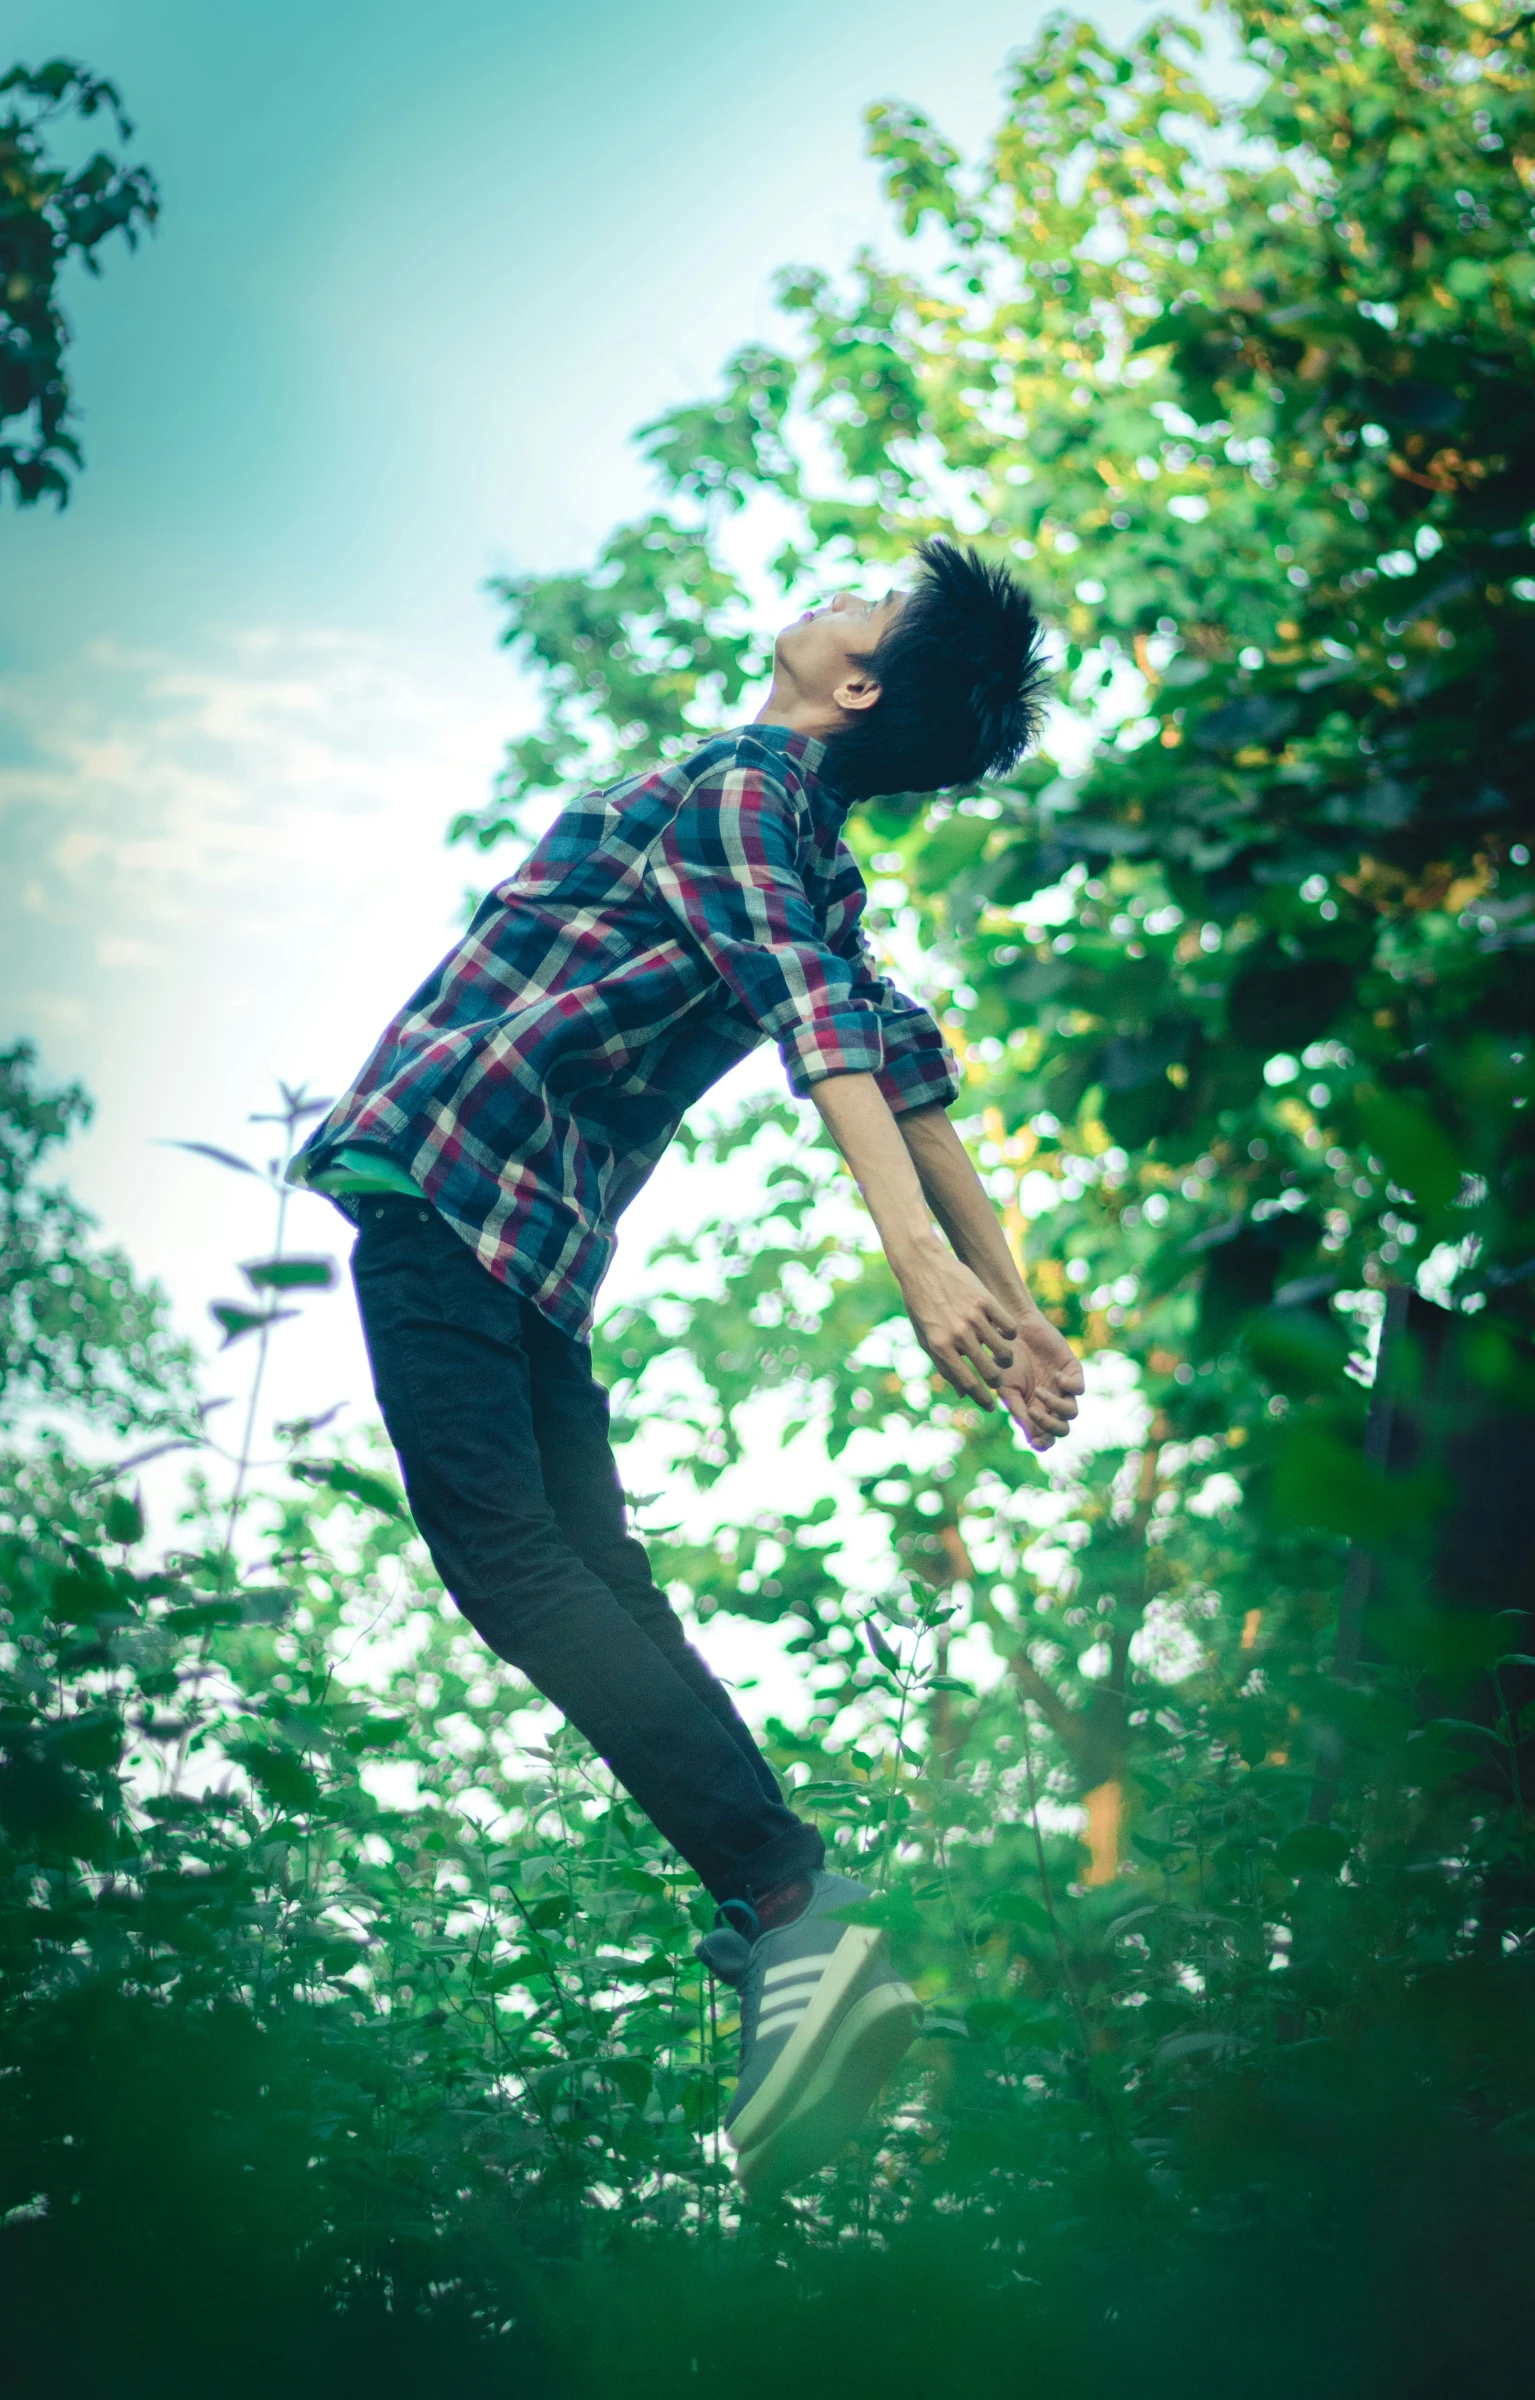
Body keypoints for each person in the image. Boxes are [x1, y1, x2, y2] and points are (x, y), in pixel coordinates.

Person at [291, 537, 1085, 2199]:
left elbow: (832, 1034)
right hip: (540, 1250)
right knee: (591, 1578)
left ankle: (792, 1908)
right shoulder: (799, 849)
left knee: (513, 1564)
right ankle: (797, 1933)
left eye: (867, 603)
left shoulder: (740, 789)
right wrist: (1017, 1313)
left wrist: (947, 1271)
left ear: (855, 686)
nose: (837, 591)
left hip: (446, 1189)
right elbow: (896, 1060)